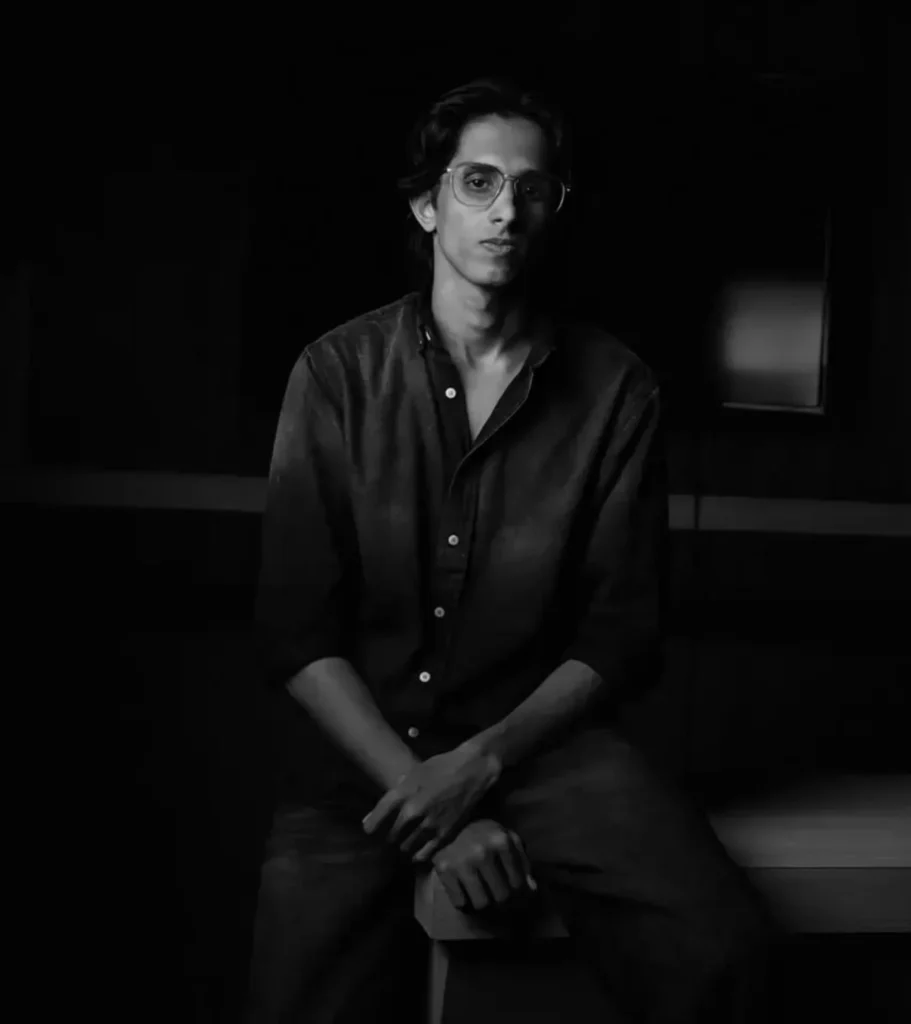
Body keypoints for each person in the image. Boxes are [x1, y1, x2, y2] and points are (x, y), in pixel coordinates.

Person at [246, 76, 783, 1023]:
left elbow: (622, 632)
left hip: (541, 749)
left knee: (724, 955)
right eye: (479, 182)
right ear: (429, 205)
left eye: (532, 189)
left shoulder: (618, 390)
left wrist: (483, 764)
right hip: (358, 761)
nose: (507, 209)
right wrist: (429, 803)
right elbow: (297, 630)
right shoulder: (335, 374)